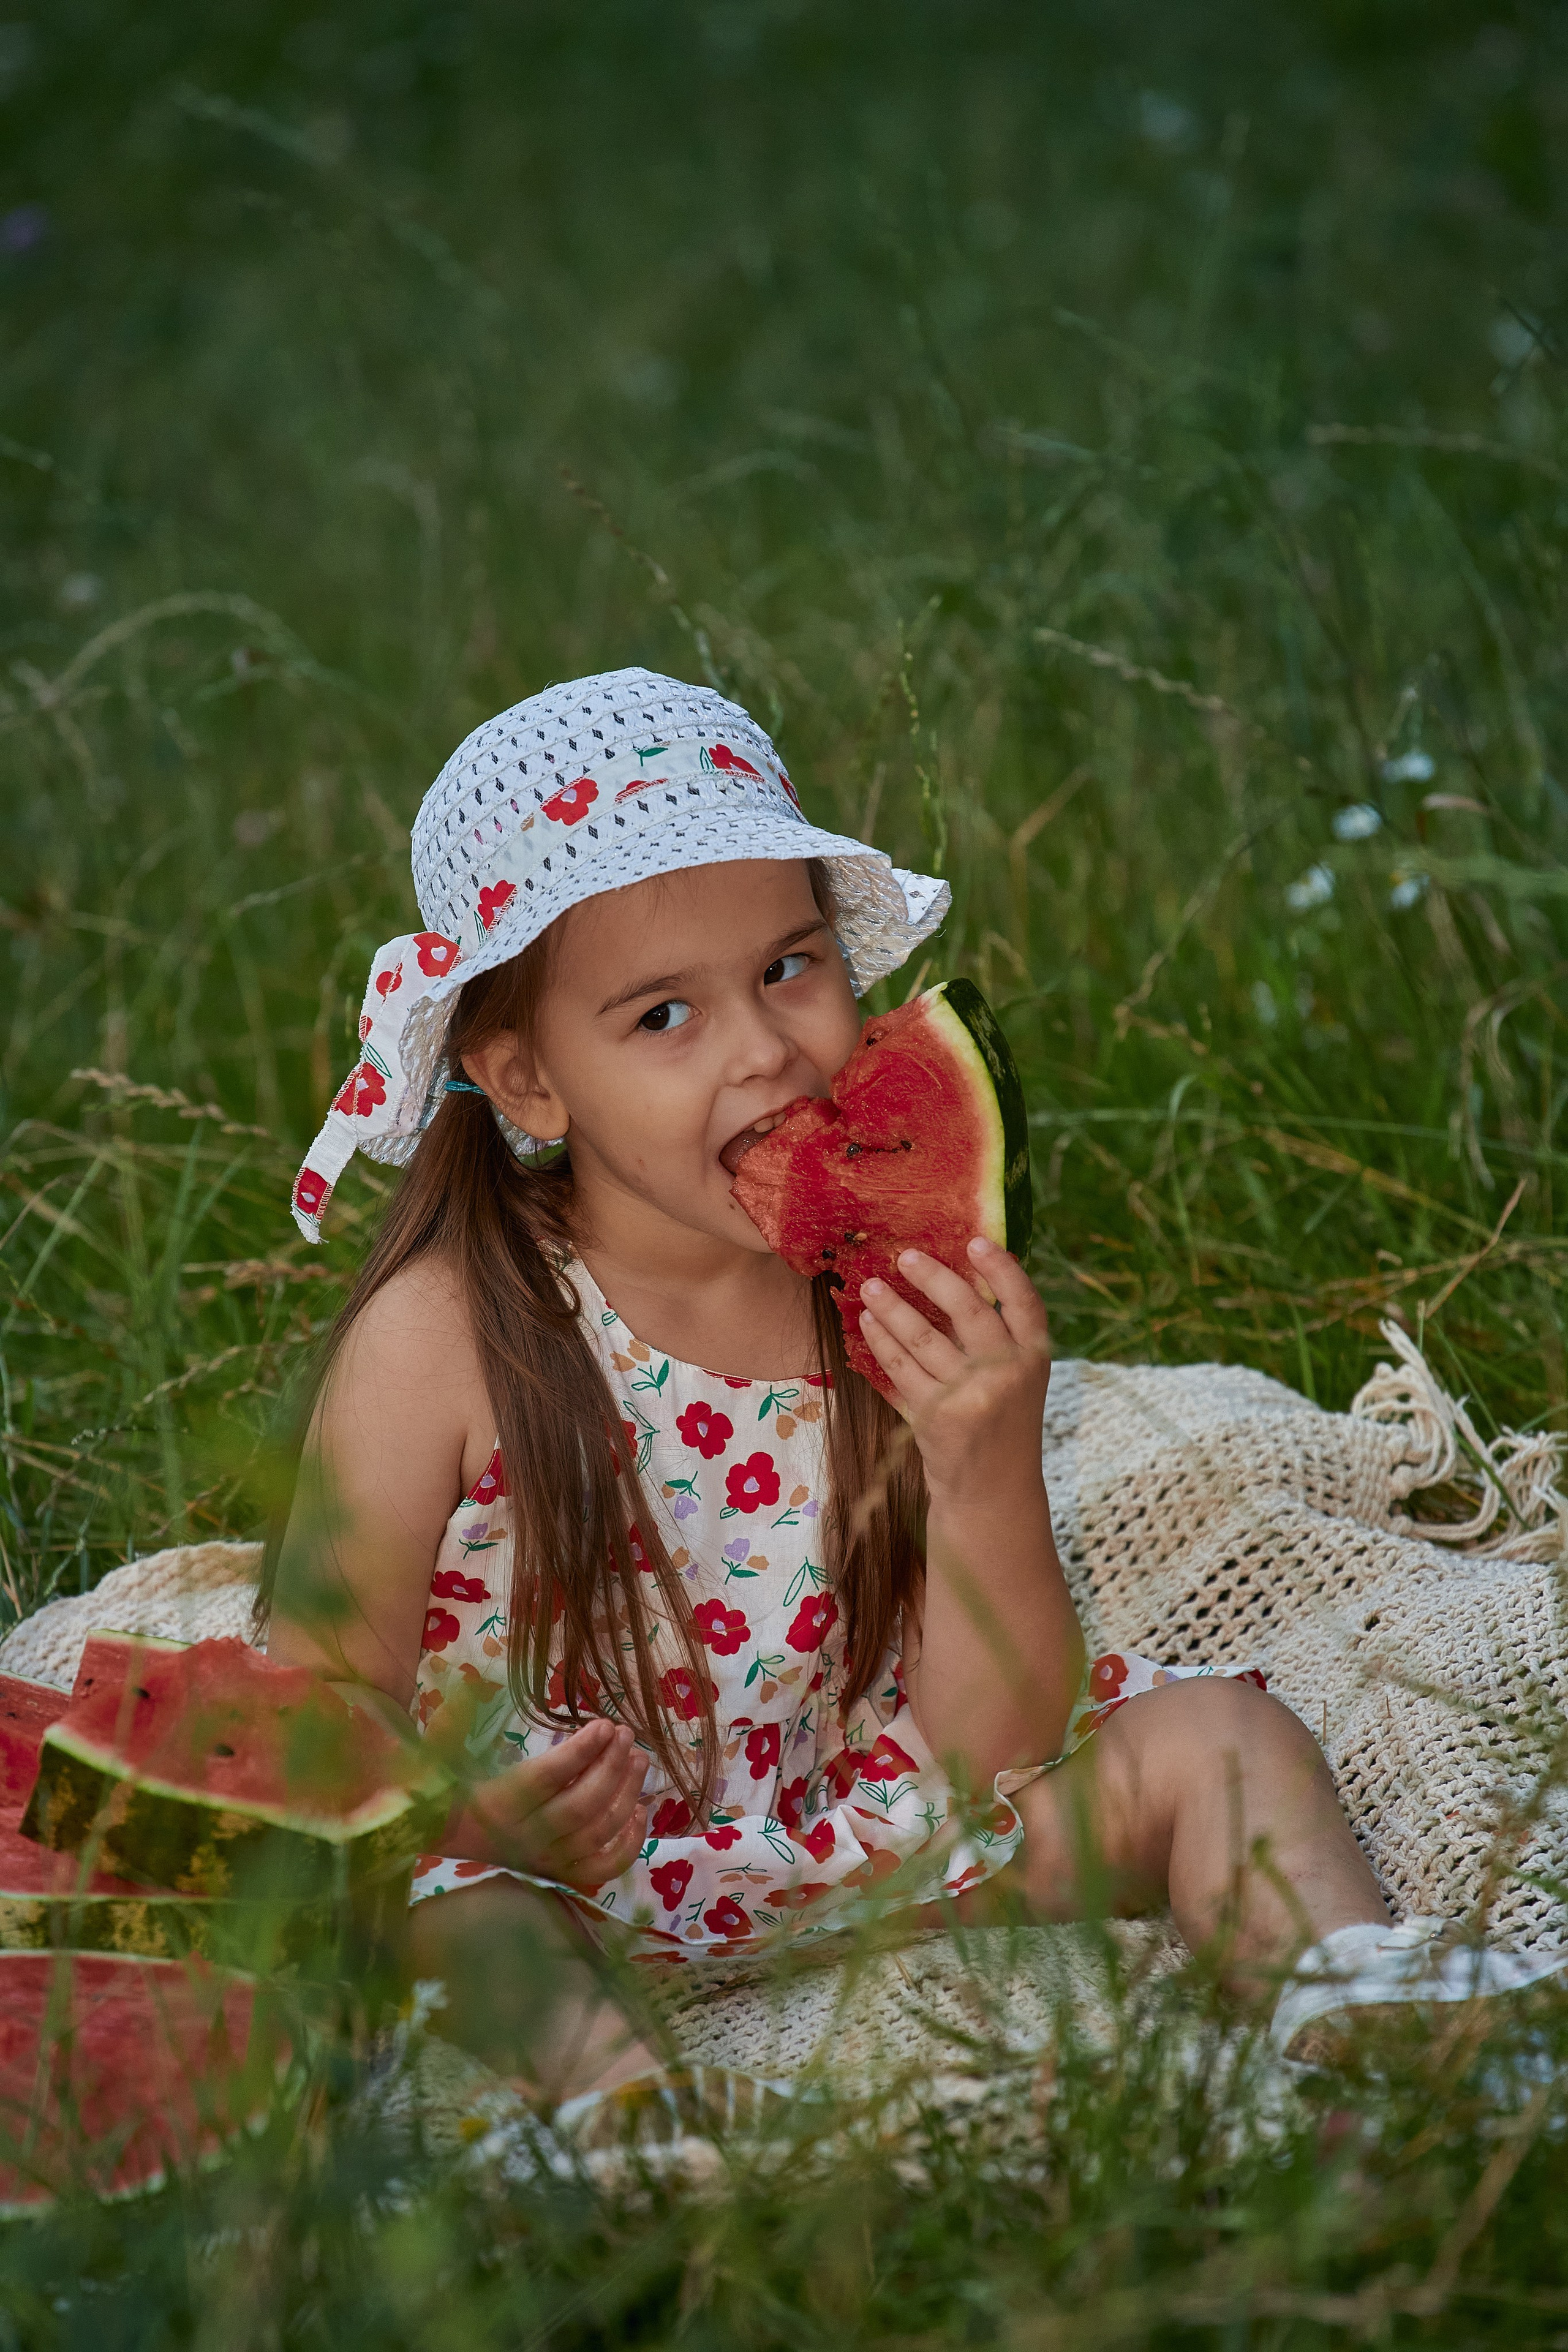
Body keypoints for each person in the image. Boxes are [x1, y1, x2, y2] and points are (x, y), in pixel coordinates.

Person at [265, 668, 1562, 2114]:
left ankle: (1357, 2002)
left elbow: (990, 1749)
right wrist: (460, 1808)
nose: (763, 1046)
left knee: (1225, 1737)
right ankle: (633, 2127)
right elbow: (312, 1696)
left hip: (854, 1819)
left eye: (786, 967)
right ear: (526, 1081)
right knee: (439, 1905)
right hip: (554, 1871)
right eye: (660, 1018)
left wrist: (987, 1460)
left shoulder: (885, 1263)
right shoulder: (440, 1332)